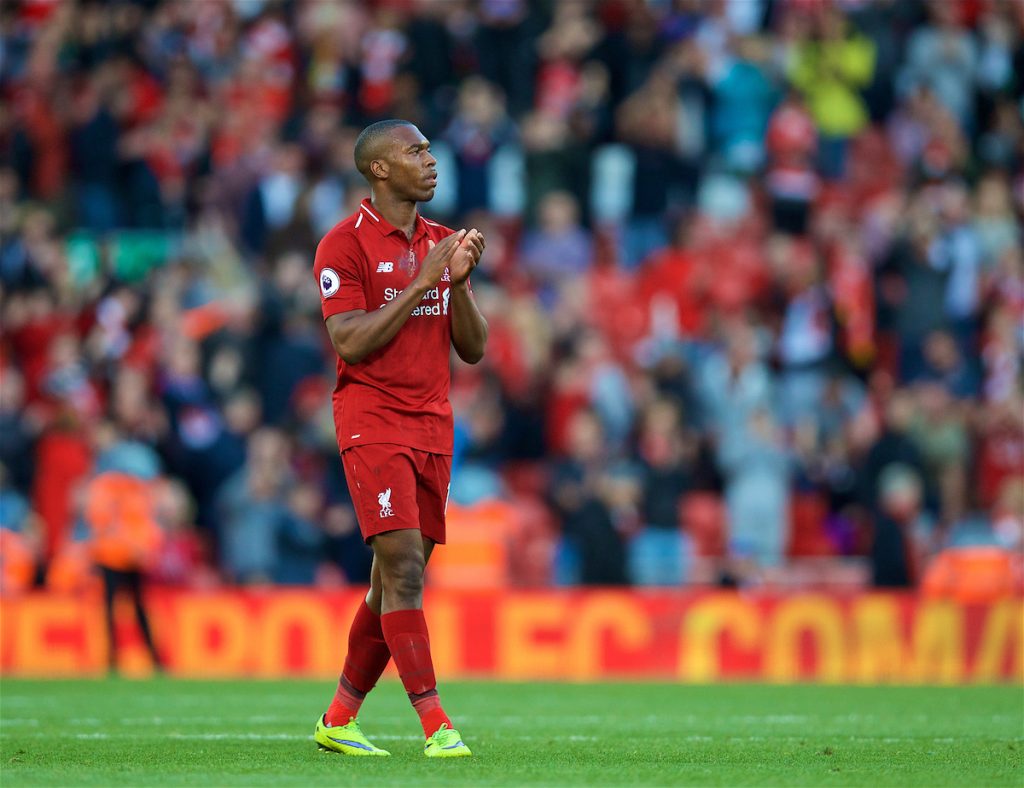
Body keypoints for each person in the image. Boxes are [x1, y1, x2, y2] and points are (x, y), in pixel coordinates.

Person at [311, 119, 487, 758]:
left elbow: (473, 348)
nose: (431, 160)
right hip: (372, 420)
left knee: (391, 583)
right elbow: (351, 341)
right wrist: (422, 283)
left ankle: (337, 719)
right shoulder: (343, 246)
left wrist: (459, 282)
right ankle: (437, 725)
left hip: (433, 424)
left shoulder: (442, 242)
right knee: (406, 569)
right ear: (380, 169)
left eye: (430, 149)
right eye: (416, 151)